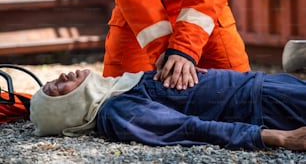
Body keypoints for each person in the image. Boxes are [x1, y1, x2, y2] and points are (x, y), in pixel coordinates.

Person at [30, 69, 306, 151]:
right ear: (66, 111)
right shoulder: (116, 110)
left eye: (51, 81)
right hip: (265, 103)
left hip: (266, 86)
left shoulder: (118, 90)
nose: (61, 77)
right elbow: (189, 127)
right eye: (54, 90)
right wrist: (277, 138)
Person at [101, 0, 250, 90]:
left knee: (243, 95)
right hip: (138, 19)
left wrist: (184, 48)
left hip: (203, 12)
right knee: (119, 101)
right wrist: (171, 54)